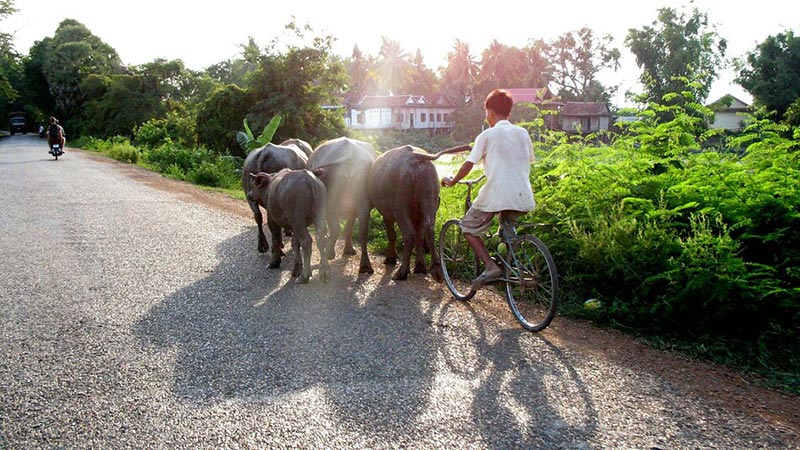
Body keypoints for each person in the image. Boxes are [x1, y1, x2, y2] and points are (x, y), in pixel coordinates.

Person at [441, 89, 536, 289]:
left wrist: (452, 181)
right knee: (507, 231)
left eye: (486, 112)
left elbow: (468, 164)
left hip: (498, 193)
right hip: (523, 195)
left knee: (468, 227)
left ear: (489, 112)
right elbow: (523, 161)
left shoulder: (487, 135)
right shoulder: (523, 133)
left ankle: (490, 266)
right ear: (509, 113)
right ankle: (512, 266)